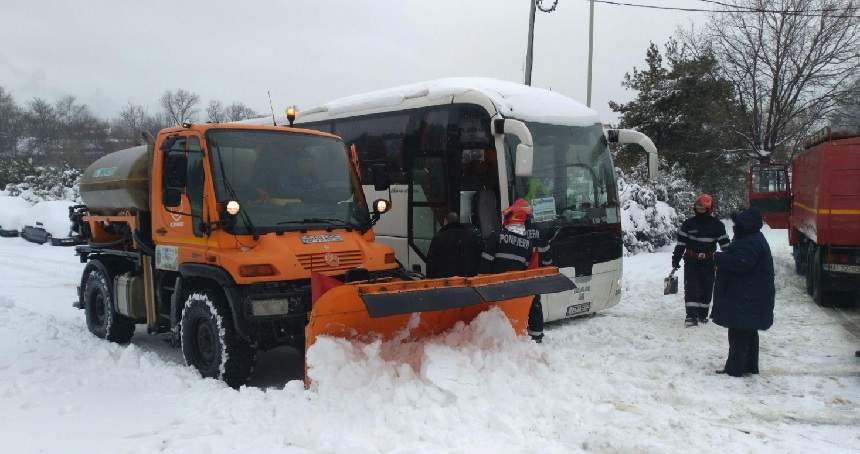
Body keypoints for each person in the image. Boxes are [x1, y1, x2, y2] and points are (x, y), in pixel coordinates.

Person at [711, 208, 775, 377]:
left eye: (737, 224)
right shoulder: (753, 239)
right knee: (749, 331)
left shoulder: (749, 242)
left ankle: (734, 368)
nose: (734, 227)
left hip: (746, 297)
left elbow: (741, 263)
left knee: (738, 332)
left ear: (745, 225)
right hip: (750, 296)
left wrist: (718, 257)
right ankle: (749, 365)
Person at [480, 198, 544, 343]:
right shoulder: (527, 243)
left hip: (495, 288)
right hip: (515, 290)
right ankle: (534, 336)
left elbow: (485, 264)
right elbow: (528, 267)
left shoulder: (496, 237)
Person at [672, 194, 730, 327]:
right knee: (692, 287)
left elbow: (725, 245)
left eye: (703, 209)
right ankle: (691, 316)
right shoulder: (688, 224)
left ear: (709, 209)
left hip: (709, 262)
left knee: (707, 287)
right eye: (697, 208)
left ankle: (702, 314)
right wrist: (676, 259)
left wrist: (730, 259)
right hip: (691, 261)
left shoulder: (717, 225)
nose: (700, 211)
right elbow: (681, 244)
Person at [425, 212, 483, 279]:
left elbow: (431, 262)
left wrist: (430, 279)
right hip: (465, 281)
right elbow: (476, 257)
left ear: (445, 221)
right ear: (458, 221)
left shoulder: (438, 237)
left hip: (444, 281)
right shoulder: (469, 236)